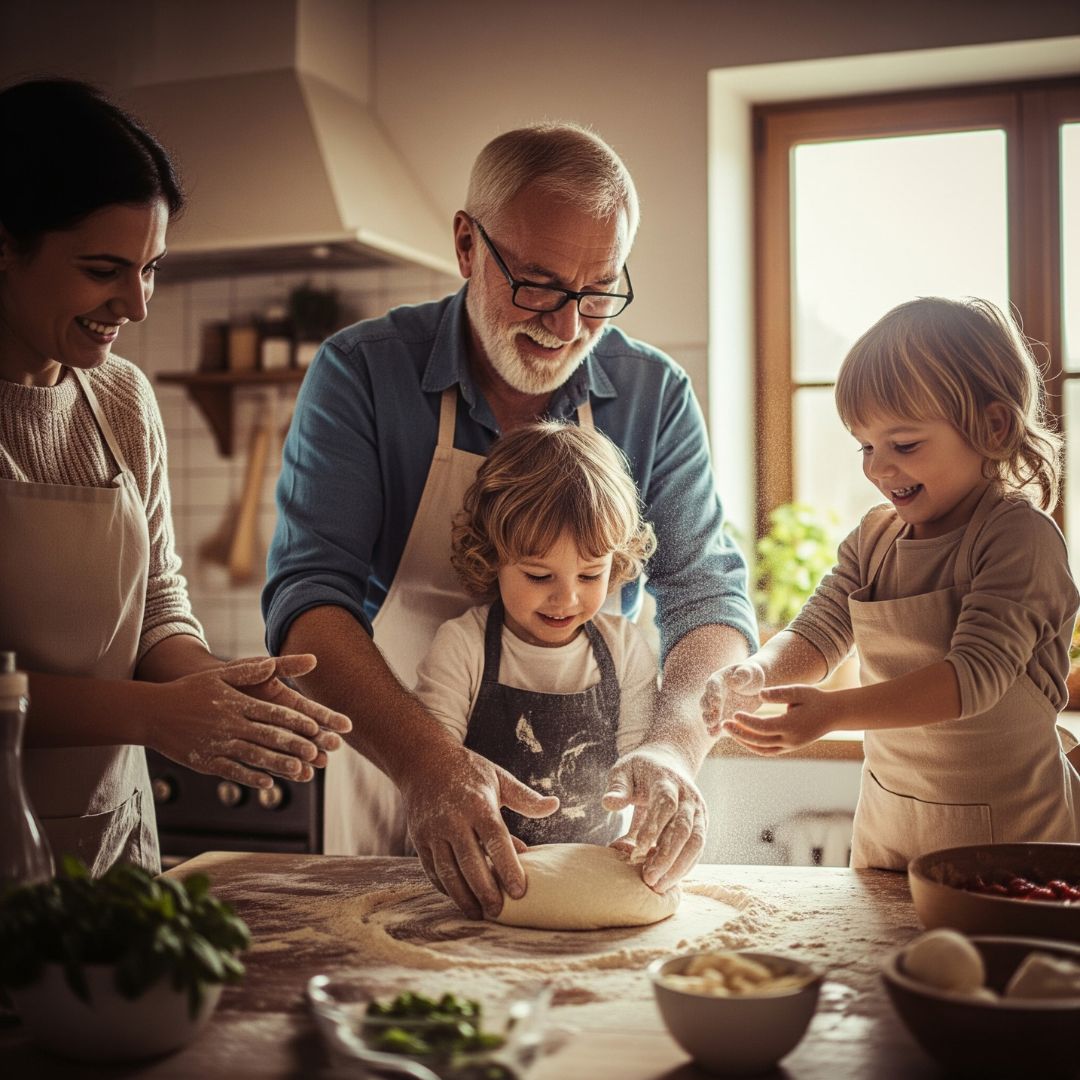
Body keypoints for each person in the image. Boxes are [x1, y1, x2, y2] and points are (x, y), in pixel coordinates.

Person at [264, 121, 757, 919]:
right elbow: (307, 605)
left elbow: (708, 601)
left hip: (590, 820)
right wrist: (429, 765)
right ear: (467, 244)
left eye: (597, 293)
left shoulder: (653, 395)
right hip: (397, 782)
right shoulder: (362, 373)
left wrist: (673, 747)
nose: (567, 329)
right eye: (535, 284)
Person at [0, 78, 351, 878]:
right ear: (6, 245)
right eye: (102, 270)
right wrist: (156, 715)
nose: (137, 303)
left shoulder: (120, 395)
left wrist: (219, 688)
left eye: (151, 268)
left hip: (108, 841)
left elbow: (156, 603)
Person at [702, 296, 1080, 869]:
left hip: (1013, 838)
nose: (878, 468)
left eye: (904, 445)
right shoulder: (877, 536)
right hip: (890, 826)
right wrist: (759, 673)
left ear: (994, 427)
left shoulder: (1017, 538)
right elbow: (820, 630)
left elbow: (972, 679)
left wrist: (831, 712)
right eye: (866, 446)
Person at [414, 420, 659, 848]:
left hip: (593, 870)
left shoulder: (625, 649)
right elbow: (435, 765)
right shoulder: (463, 646)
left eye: (590, 574)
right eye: (539, 575)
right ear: (492, 557)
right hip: (480, 860)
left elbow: (639, 762)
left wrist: (640, 835)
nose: (566, 598)